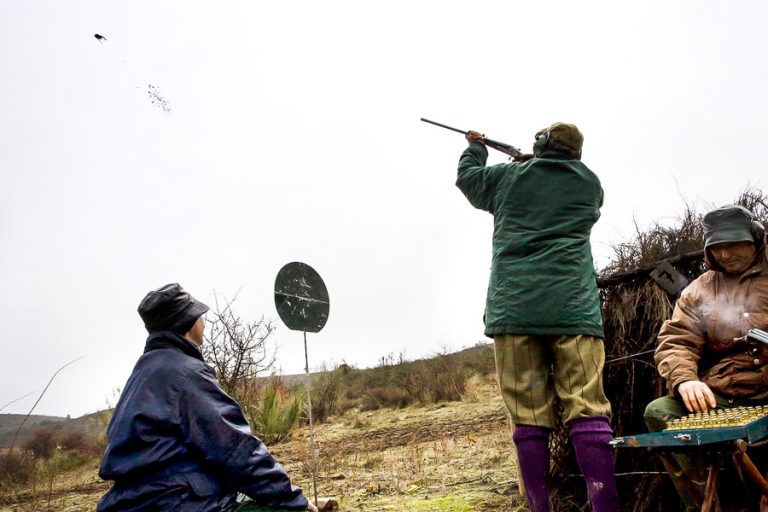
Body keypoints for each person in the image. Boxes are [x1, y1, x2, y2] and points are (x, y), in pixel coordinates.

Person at [456, 123, 618, 512]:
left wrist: (476, 149)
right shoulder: (589, 184)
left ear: (540, 145)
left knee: (528, 415)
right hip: (573, 311)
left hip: (516, 311)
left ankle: (538, 506)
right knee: (588, 408)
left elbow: (468, 181)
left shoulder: (508, 178)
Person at [97, 283, 317, 512]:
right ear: (189, 321)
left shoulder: (143, 372)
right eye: (199, 314)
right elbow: (236, 450)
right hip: (177, 502)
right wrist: (293, 500)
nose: (204, 319)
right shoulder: (186, 373)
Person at [645, 204, 768, 509]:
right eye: (717, 247)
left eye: (733, 245)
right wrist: (685, 380)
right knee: (660, 411)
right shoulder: (699, 290)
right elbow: (677, 340)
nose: (725, 255)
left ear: (755, 238)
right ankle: (712, 502)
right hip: (729, 391)